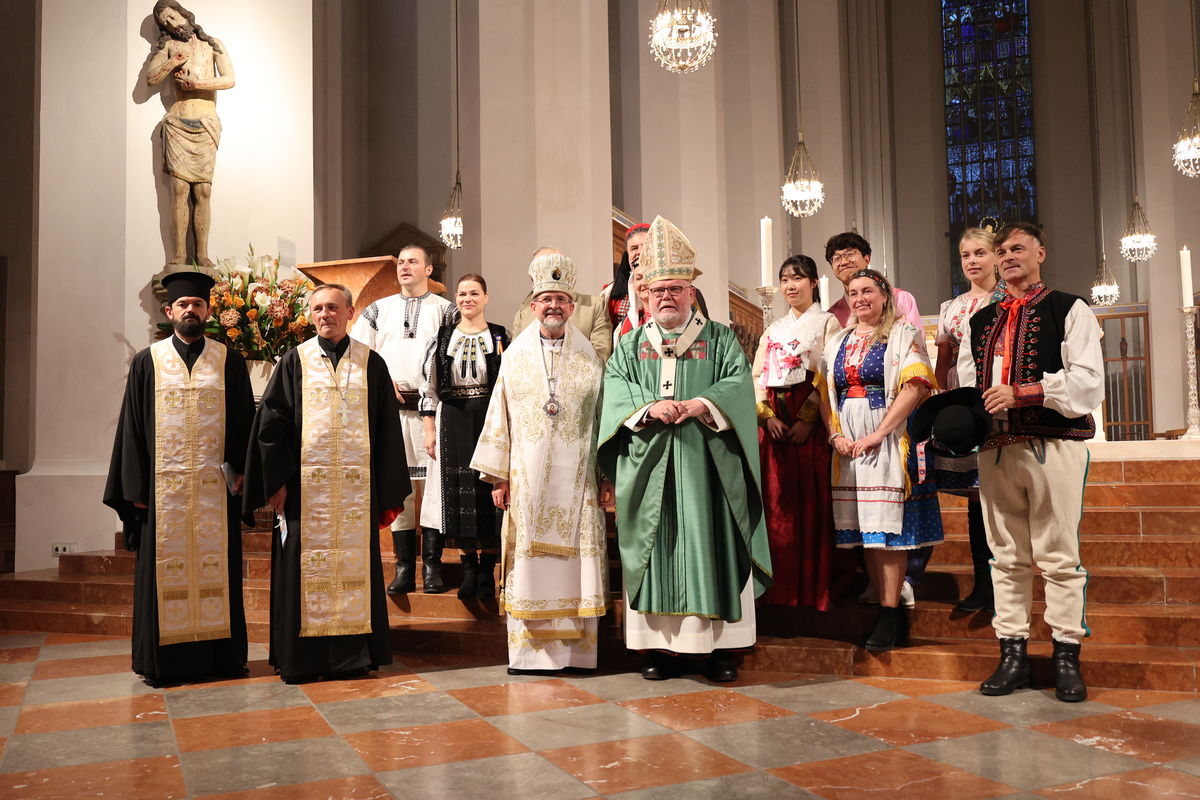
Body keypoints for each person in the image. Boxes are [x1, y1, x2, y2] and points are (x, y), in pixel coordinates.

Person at [599, 216, 772, 683]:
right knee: (655, 550)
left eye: (675, 289)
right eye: (657, 291)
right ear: (644, 296)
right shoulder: (630, 344)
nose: (666, 298)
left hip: (706, 465)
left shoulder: (718, 339)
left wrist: (701, 403)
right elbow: (614, 391)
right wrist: (649, 408)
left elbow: (739, 384)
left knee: (711, 542)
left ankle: (721, 649)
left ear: (691, 292)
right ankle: (658, 649)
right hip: (650, 463)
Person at [958, 222, 1103, 703]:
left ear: (1041, 251)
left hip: (1054, 443)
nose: (1008, 256)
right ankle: (1013, 654)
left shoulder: (1069, 307)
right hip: (996, 450)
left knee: (1059, 555)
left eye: (1018, 248)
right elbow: (968, 386)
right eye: (1002, 251)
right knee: (1006, 557)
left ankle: (1065, 655)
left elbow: (1087, 383)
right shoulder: (980, 321)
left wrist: (1024, 392)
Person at [243, 284, 410, 683]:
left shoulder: (372, 363)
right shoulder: (294, 361)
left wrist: (384, 490)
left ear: (350, 312)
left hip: (356, 493)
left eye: (333, 307)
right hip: (305, 495)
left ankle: (352, 659)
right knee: (303, 575)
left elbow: (387, 429)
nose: (325, 315)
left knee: (355, 572)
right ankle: (303, 660)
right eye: (317, 309)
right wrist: (276, 483)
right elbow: (271, 425)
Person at [104, 271, 254, 685]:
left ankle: (221, 660)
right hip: (160, 495)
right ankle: (162, 664)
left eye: (198, 304)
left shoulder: (229, 360)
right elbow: (132, 428)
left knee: (216, 572)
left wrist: (240, 472)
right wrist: (135, 490)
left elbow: (244, 420)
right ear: (169, 311)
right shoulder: (147, 362)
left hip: (214, 493)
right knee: (162, 574)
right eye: (183, 304)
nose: (191, 310)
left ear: (208, 310)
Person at [471, 253, 609, 674]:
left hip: (580, 485)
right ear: (533, 305)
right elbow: (499, 414)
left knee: (576, 568)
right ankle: (528, 656)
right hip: (526, 483)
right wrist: (497, 476)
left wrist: (607, 478)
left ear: (572, 307)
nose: (553, 306)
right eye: (546, 298)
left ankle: (577, 656)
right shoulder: (513, 357)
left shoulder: (591, 359)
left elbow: (603, 419)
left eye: (561, 300)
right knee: (530, 564)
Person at [822, 269, 940, 653]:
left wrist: (879, 433)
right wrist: (835, 434)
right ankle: (883, 608)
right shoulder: (838, 340)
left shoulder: (903, 334)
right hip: (849, 443)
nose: (859, 298)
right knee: (866, 532)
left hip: (886, 438)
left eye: (867, 291)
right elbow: (825, 392)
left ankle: (891, 616)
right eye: (853, 292)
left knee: (888, 535)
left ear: (885, 295)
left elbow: (914, 386)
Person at [351, 245, 452, 595]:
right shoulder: (378, 310)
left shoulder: (446, 310)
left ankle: (433, 566)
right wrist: (379, 375)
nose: (405, 267)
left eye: (413, 262)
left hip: (434, 413)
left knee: (435, 489)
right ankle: (405, 567)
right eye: (401, 262)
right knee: (401, 487)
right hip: (392, 412)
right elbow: (357, 351)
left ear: (429, 270)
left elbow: (452, 357)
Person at [751, 255, 841, 610]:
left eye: (798, 278)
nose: (791, 285)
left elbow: (830, 375)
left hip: (811, 423)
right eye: (785, 279)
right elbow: (758, 376)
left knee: (810, 503)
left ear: (814, 282)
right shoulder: (773, 329)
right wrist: (766, 415)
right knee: (778, 504)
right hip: (776, 427)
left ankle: (811, 587)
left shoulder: (828, 322)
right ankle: (779, 587)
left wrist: (808, 420)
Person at [420, 275, 510, 599]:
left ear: (486, 297)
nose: (467, 299)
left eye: (474, 293)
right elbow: (430, 387)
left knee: (488, 490)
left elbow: (510, 382)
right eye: (462, 294)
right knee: (458, 495)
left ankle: (487, 568)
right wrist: (429, 429)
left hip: (489, 416)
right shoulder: (444, 336)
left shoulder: (499, 334)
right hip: (453, 420)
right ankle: (468, 565)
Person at [933, 227, 1006, 613]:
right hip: (965, 405)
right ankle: (983, 584)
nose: (972, 261)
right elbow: (944, 363)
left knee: (1002, 494)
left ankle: (1006, 584)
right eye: (965, 255)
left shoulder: (1010, 299)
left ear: (996, 257)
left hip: (1001, 403)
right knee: (976, 496)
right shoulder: (952, 307)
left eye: (980, 253)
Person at [146, 0, 235, 266]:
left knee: (204, 191)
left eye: (173, 17)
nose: (172, 24)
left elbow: (229, 79)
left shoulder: (213, 44)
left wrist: (198, 83)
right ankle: (180, 255)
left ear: (184, 14)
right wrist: (172, 62)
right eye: (166, 23)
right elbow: (151, 78)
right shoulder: (171, 48)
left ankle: (203, 254)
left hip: (206, 121)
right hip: (179, 123)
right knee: (179, 188)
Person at [512, 246, 613, 361]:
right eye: (542, 266)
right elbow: (515, 358)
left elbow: (600, 356)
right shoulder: (523, 314)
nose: (554, 305)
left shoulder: (594, 306)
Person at [601, 223, 650, 346]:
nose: (639, 252)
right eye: (634, 248)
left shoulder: (670, 288)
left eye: (644, 247)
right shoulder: (609, 293)